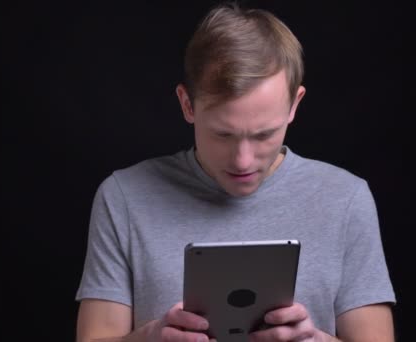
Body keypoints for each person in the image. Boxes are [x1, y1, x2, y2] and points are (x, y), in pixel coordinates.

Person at [75, 3, 396, 341]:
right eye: (223, 134)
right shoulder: (124, 197)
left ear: (294, 105)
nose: (243, 161)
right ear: (187, 105)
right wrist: (151, 337)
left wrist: (313, 340)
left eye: (263, 135)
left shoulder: (345, 198)